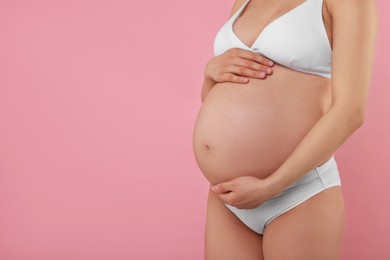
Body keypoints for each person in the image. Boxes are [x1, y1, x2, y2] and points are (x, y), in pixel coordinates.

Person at [192, 0, 377, 259]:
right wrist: (209, 74)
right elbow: (217, 96)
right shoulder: (244, 2)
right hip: (229, 198)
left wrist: (271, 185)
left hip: (297, 194)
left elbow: (350, 111)